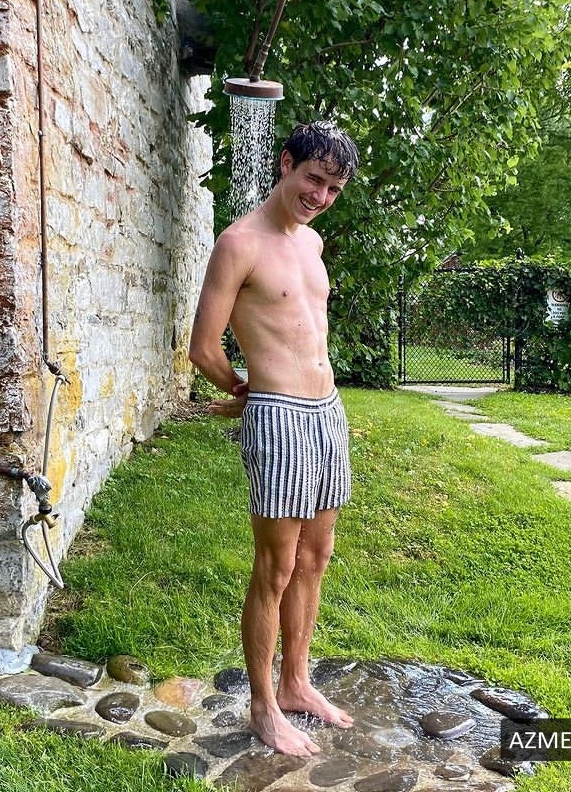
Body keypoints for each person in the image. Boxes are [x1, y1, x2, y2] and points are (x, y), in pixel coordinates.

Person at [188, 121, 359, 757]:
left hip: (327, 411)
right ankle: (263, 706)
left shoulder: (312, 243)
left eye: (333, 189)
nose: (320, 196)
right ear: (286, 164)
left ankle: (296, 683)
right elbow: (204, 347)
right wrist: (245, 389)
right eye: (313, 179)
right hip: (279, 415)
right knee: (277, 565)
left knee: (316, 556)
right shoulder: (239, 243)